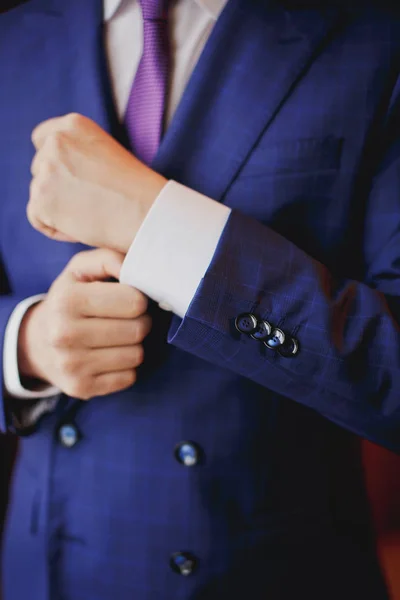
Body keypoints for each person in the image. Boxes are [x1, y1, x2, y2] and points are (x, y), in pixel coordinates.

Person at [0, 0, 399, 598]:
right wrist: (25, 344)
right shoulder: (11, 38)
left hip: (272, 573)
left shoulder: (375, 34)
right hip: (47, 568)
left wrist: (157, 227)